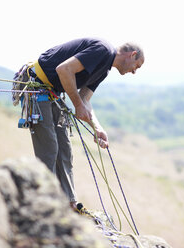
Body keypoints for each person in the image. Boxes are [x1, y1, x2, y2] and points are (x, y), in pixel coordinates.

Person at [23, 38, 144, 211]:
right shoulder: (103, 50)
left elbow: (85, 98)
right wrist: (78, 105)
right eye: (136, 66)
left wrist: (98, 128)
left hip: (52, 91)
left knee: (64, 150)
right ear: (132, 55)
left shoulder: (104, 68)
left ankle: (69, 203)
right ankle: (43, 203)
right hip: (36, 84)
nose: (134, 72)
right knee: (49, 147)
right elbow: (64, 70)